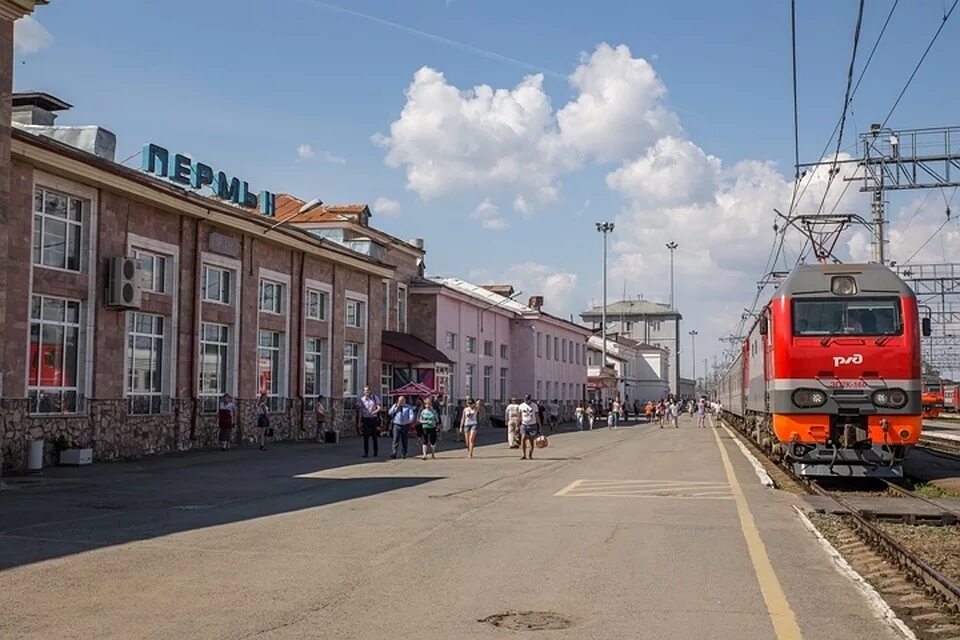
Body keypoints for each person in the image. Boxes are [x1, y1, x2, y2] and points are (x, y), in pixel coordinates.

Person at [389, 394, 416, 459]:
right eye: (399, 401)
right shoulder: (395, 406)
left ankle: (404, 453)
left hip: (405, 425)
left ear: (404, 401)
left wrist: (410, 419)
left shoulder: (408, 407)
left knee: (404, 440)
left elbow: (411, 415)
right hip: (396, 425)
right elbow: (390, 413)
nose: (401, 402)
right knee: (395, 440)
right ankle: (394, 453)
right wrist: (396, 407)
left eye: (402, 401)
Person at [358, 385, 381, 458]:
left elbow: (379, 407)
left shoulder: (374, 398)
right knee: (366, 436)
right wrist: (359, 422)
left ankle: (375, 452)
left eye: (367, 390)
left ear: (370, 391)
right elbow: (360, 411)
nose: (366, 392)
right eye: (365, 391)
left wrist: (375, 411)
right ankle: (366, 452)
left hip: (373, 418)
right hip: (366, 419)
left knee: (374, 436)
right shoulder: (362, 399)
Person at [519, 395, 541, 460]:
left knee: (531, 440)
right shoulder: (521, 406)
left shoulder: (534, 406)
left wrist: (539, 425)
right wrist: (518, 424)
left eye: (528, 400)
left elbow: (537, 416)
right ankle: (524, 454)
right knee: (523, 438)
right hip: (524, 424)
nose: (527, 401)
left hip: (532, 424)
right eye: (526, 400)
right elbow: (519, 416)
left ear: (530, 399)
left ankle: (530, 454)